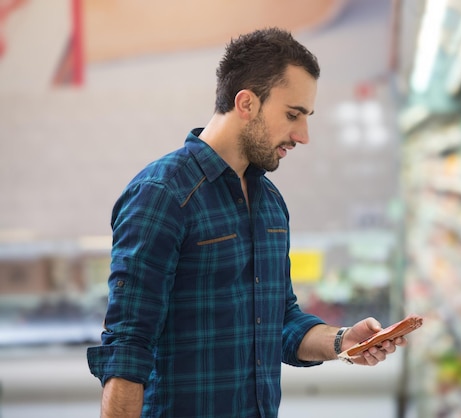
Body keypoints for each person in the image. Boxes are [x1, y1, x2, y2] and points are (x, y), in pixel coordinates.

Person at [87, 27, 407, 418]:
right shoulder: (163, 194)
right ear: (246, 103)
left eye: (306, 117)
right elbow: (126, 348)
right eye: (293, 115)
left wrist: (342, 341)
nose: (303, 135)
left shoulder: (270, 204)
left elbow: (281, 320)